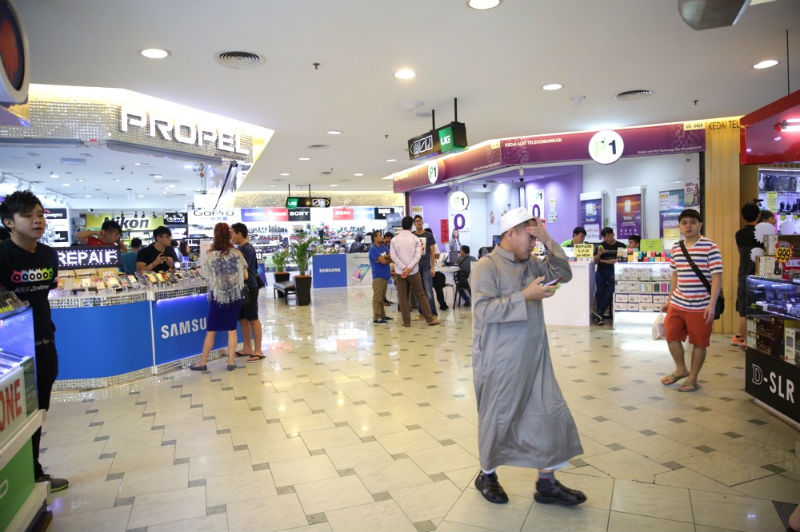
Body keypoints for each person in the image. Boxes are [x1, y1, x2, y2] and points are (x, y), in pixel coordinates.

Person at [470, 207, 585, 506]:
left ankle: (546, 483)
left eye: (536, 238)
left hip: (535, 357)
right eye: (529, 237)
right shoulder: (486, 266)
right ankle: (487, 475)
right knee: (498, 418)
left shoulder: (533, 263)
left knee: (547, 414)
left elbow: (564, 274)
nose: (533, 244)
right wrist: (525, 296)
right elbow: (482, 311)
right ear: (511, 233)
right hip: (500, 361)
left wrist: (547, 239)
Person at [0, 191, 69, 492]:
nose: (37, 220)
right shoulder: (2, 255)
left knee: (38, 411)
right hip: (10, 350)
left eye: (40, 214)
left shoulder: (48, 255)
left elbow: (43, 295)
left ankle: (32, 472)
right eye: (28, 215)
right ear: (9, 222)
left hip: (44, 342)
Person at [659, 209, 723, 393]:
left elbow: (717, 277)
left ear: (700, 224)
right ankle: (681, 368)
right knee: (670, 336)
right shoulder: (676, 247)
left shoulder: (711, 246)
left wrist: (711, 304)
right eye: (684, 222)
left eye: (692, 222)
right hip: (678, 303)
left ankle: (693, 378)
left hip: (701, 305)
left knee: (699, 342)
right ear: (680, 226)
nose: (688, 226)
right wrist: (670, 299)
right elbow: (675, 275)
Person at [190, 223, 248, 372]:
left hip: (218, 297)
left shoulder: (209, 255)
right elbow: (245, 275)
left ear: (215, 235)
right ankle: (230, 362)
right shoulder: (237, 253)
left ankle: (203, 362)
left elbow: (205, 276)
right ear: (229, 236)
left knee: (211, 330)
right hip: (235, 296)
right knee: (232, 329)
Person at [390, 216, 440, 327]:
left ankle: (406, 322)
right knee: (421, 294)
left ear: (402, 225)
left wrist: (403, 268)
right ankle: (430, 319)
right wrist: (409, 267)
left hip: (400, 272)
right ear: (411, 225)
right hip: (413, 272)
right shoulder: (415, 239)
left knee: (402, 296)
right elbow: (418, 256)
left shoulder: (394, 240)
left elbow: (393, 256)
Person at [231, 223, 265, 361]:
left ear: (239, 233)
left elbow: (243, 271)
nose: (231, 237)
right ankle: (247, 347)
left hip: (249, 288)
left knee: (253, 318)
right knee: (243, 319)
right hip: (242, 288)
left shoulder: (247, 249)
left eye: (232, 233)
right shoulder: (241, 248)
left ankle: (258, 350)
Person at [733, 203, 761, 348]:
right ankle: (748, 338)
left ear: (742, 216)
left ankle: (740, 336)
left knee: (743, 307)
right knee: (758, 307)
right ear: (759, 215)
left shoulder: (739, 234)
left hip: (743, 272)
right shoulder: (762, 234)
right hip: (759, 274)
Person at [592, 227, 626, 325]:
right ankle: (600, 315)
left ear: (613, 234)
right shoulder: (600, 246)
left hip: (615, 271)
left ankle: (599, 312)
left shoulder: (621, 245)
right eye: (605, 237)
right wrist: (599, 254)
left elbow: (620, 260)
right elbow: (595, 261)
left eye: (609, 236)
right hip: (601, 271)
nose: (607, 239)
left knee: (612, 290)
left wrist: (604, 261)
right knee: (600, 292)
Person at [413, 216, 438, 318]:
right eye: (416, 221)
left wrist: (433, 267)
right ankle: (421, 312)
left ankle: (433, 312)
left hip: (426, 266)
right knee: (419, 291)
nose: (418, 223)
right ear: (414, 224)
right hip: (415, 267)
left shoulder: (428, 235)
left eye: (420, 221)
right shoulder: (412, 236)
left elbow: (433, 252)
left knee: (428, 291)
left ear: (422, 222)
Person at [368, 230, 393, 323]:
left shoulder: (383, 247)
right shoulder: (373, 249)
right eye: (379, 235)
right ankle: (376, 317)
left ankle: (383, 315)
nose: (381, 237)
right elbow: (383, 261)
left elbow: (391, 257)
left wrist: (384, 258)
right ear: (374, 238)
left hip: (386, 276)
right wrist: (385, 259)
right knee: (377, 297)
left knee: (382, 297)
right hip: (378, 276)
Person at [382, 232, 394, 306]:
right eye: (390, 238)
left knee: (385, 285)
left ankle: (385, 299)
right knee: (382, 285)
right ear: (387, 237)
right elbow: (383, 256)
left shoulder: (386, 245)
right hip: (381, 267)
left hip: (386, 267)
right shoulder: (381, 245)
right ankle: (382, 300)